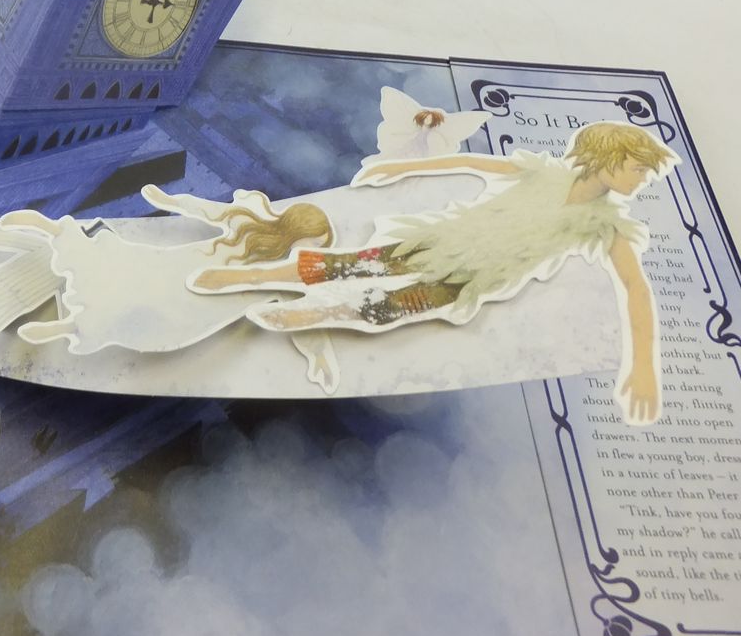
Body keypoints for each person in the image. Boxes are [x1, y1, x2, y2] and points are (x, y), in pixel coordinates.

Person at [188, 122, 677, 425]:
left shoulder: (606, 225)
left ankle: (312, 316)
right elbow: (472, 161)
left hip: (472, 279)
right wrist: (399, 169)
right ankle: (243, 279)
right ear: (608, 158)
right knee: (351, 265)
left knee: (394, 308)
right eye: (637, 168)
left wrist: (643, 366)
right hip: (442, 242)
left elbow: (635, 287)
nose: (642, 180)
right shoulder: (541, 174)